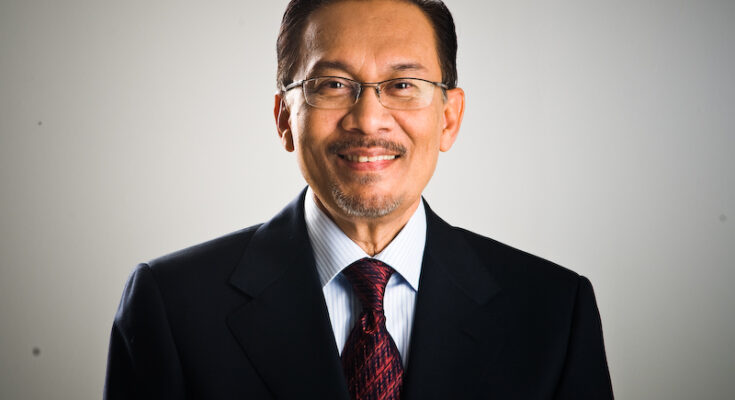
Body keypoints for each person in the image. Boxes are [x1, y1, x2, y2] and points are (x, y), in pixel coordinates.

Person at [104, 0, 614, 399]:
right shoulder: (172, 306)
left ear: (449, 118)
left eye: (403, 84)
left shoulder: (553, 311)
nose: (369, 121)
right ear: (284, 119)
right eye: (333, 84)